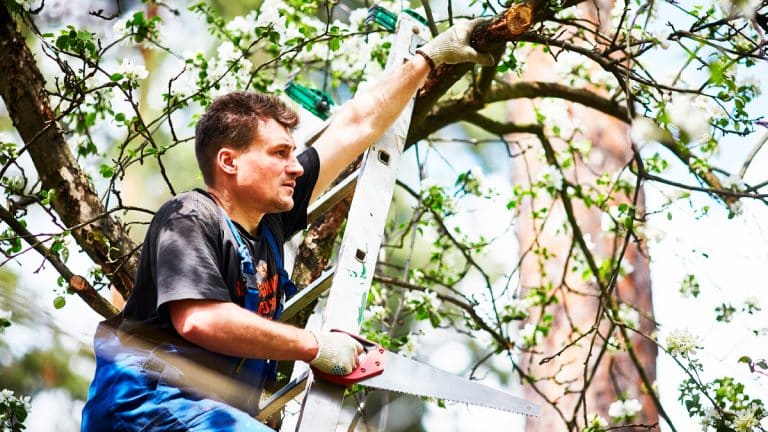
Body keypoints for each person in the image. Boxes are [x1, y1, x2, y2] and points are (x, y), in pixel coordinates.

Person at [81, 18, 493, 432]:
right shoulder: (191, 216)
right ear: (229, 161)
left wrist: (428, 58)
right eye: (279, 153)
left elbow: (355, 126)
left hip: (204, 412)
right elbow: (200, 319)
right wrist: (314, 346)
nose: (295, 167)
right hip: (145, 404)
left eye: (294, 153)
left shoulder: (272, 221)